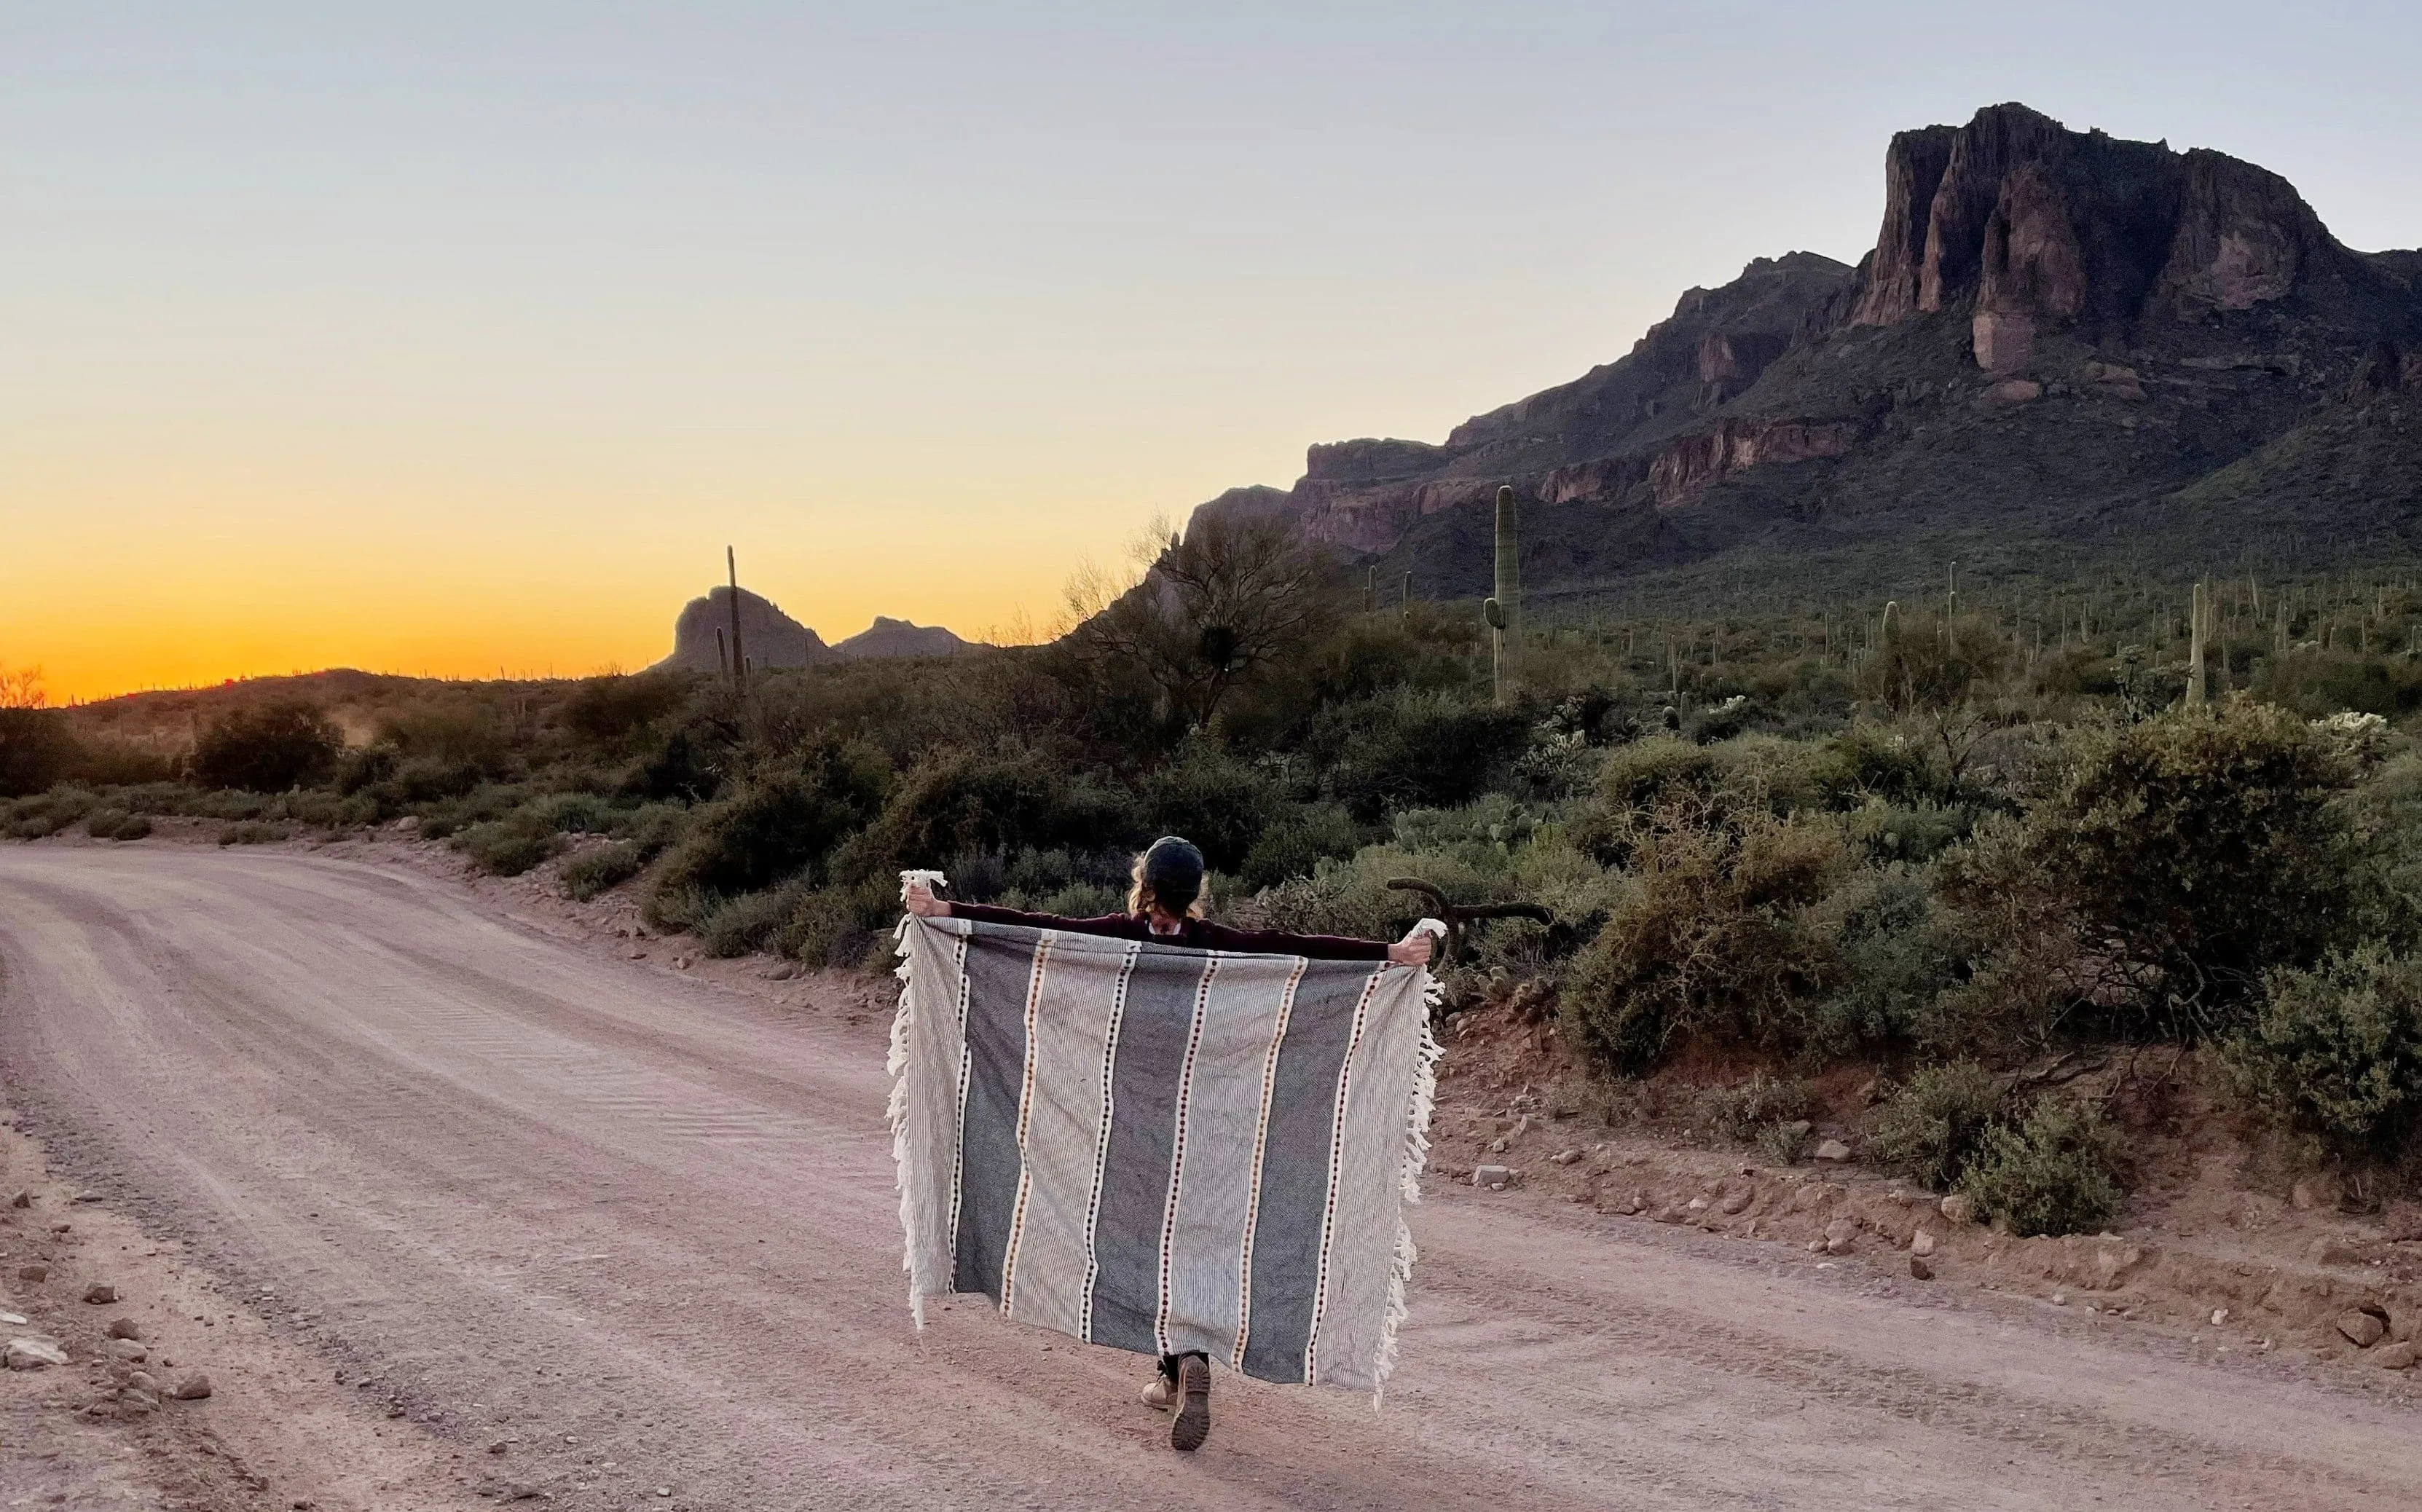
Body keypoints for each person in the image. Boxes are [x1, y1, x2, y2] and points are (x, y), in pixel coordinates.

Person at [903, 835, 1433, 1452]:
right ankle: (1186, 1361)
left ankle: (1175, 1366)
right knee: (1192, 1239)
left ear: (1144, 884)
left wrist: (948, 914)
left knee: (1137, 1244)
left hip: (1125, 1129)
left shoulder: (1117, 938)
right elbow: (1288, 951)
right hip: (1207, 1128)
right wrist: (1388, 954)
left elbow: (1039, 932)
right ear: (1194, 895)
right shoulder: (1214, 947)